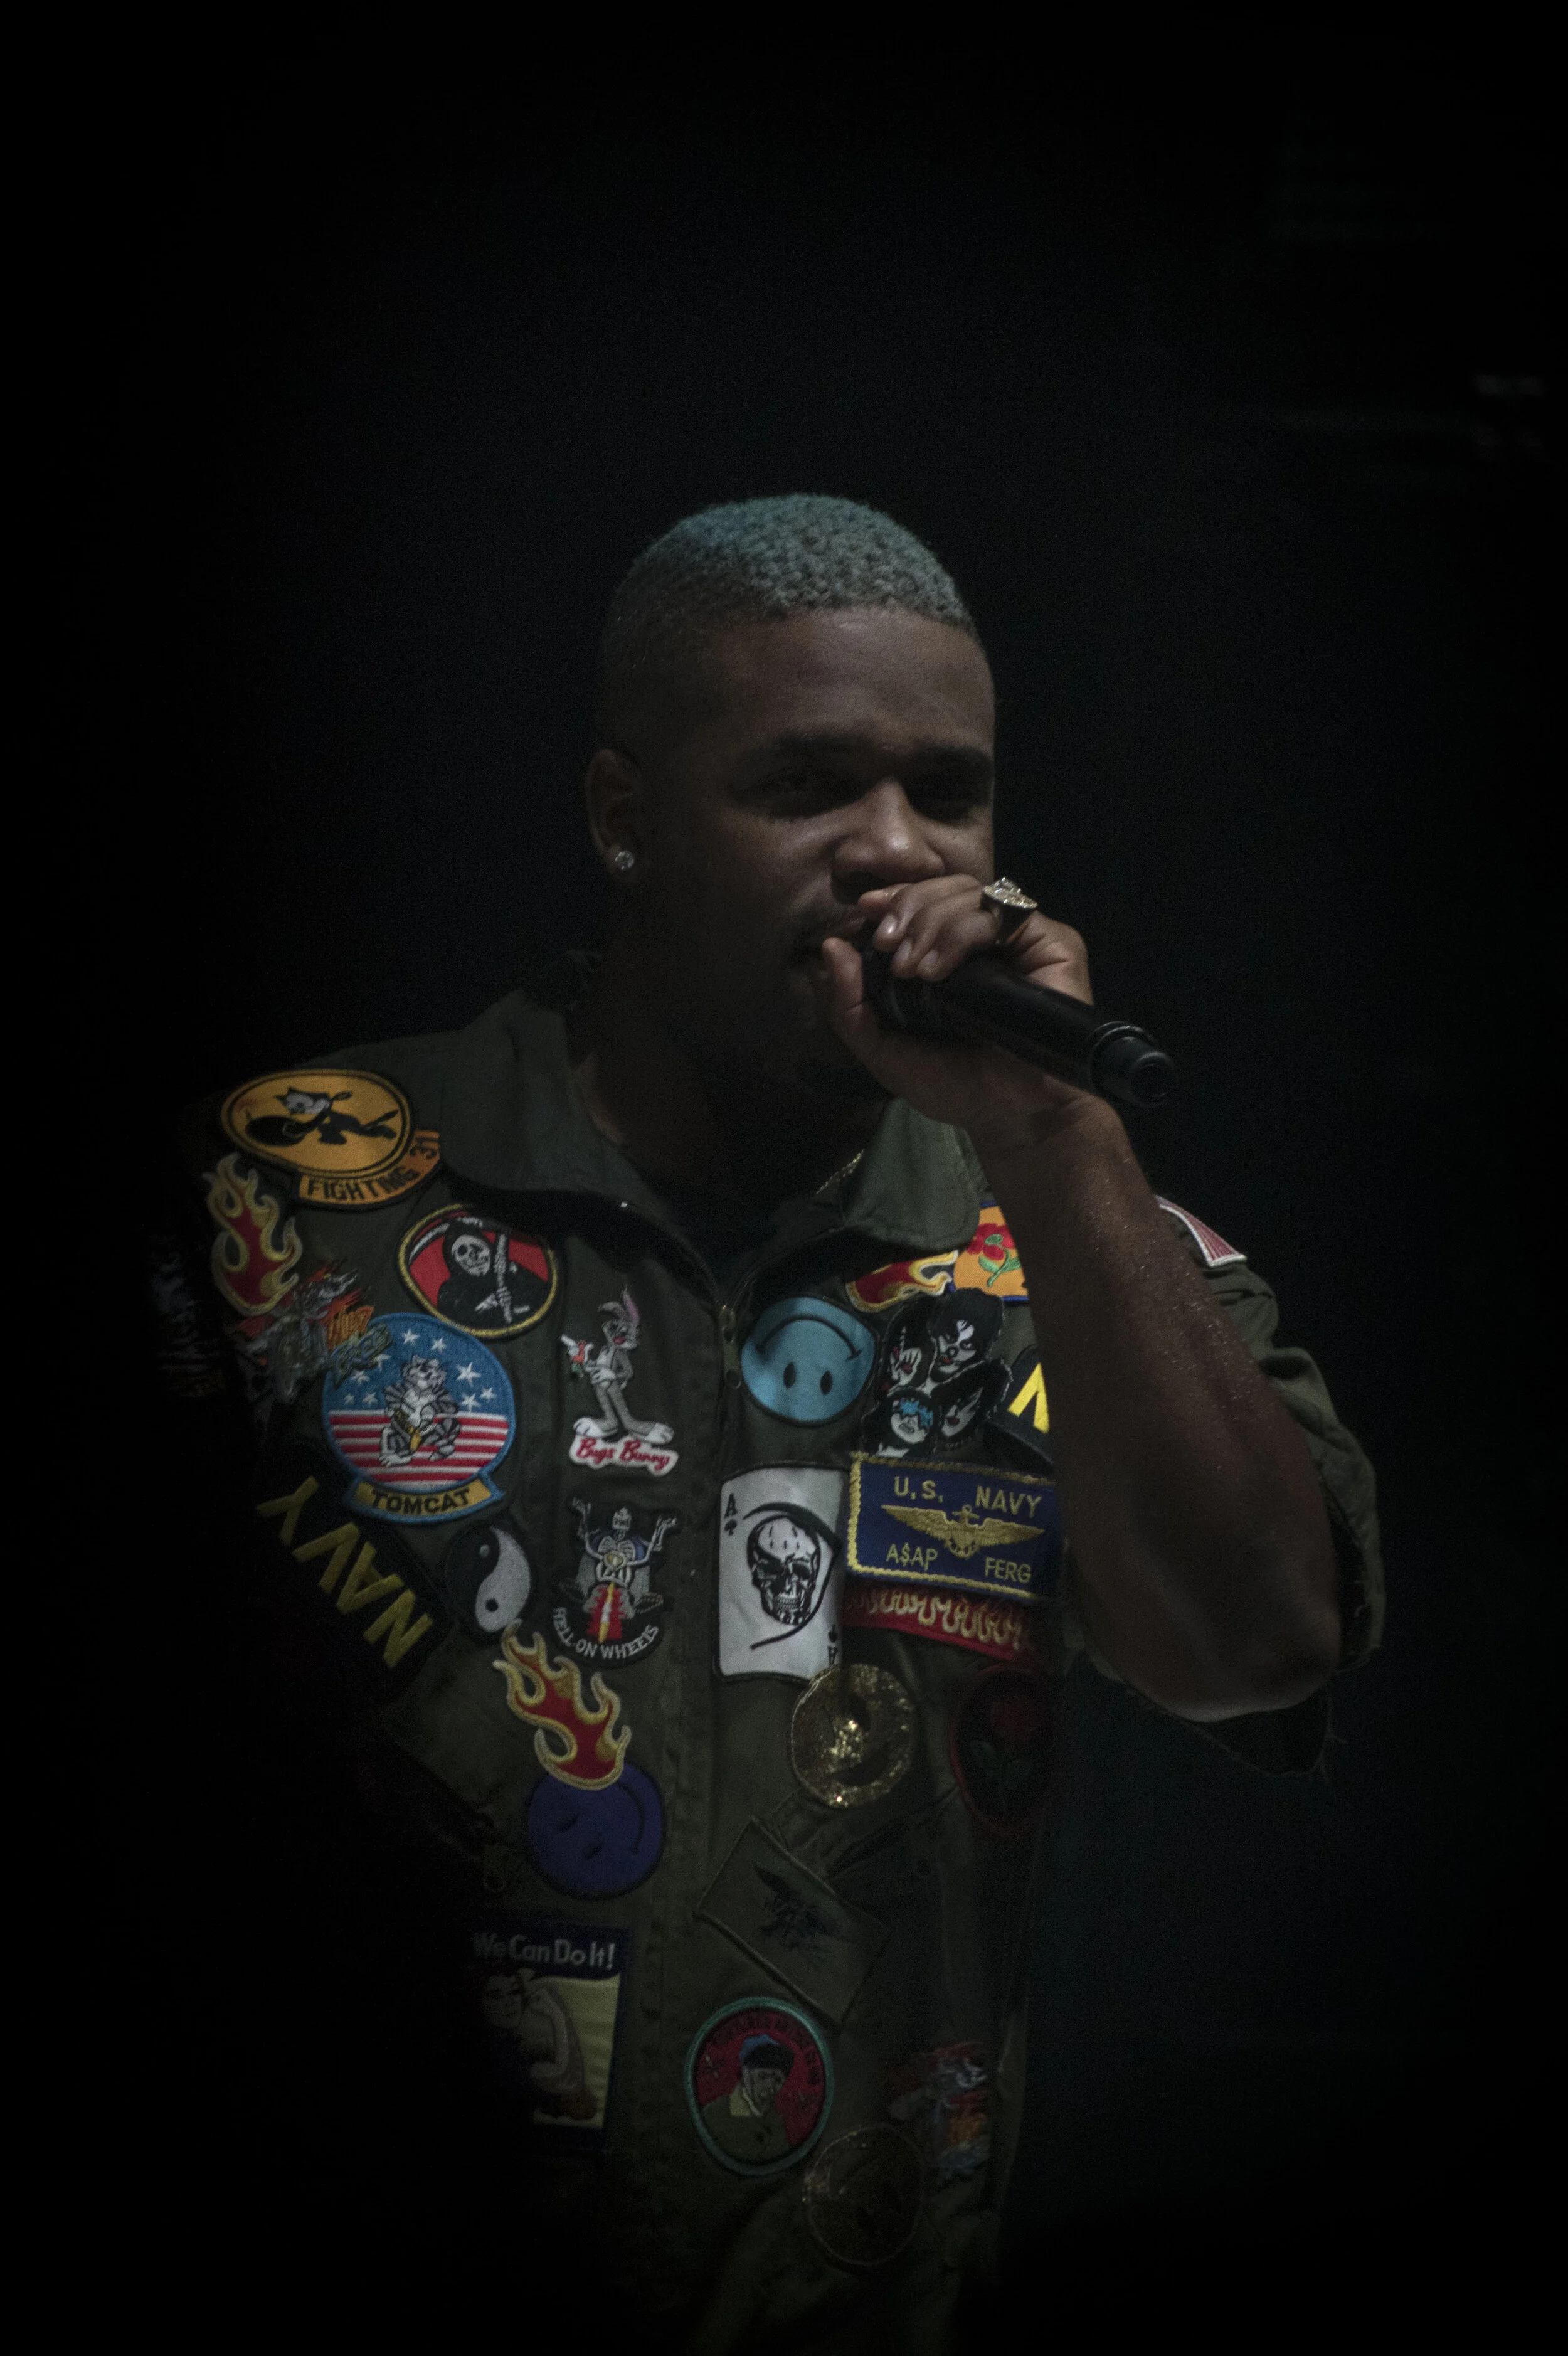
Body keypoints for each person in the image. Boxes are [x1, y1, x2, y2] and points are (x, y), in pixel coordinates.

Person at [174, 496, 1380, 2346]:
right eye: (806, 784)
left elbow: (1257, 1647)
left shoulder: (1074, 1248)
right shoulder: (290, 1208)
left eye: (948, 793)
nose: (893, 849)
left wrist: (1054, 1137)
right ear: (624, 815)